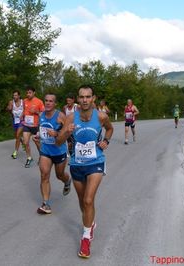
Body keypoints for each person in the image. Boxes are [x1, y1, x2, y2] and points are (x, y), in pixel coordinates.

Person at [56, 85, 114, 259]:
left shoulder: (102, 116)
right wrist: (66, 132)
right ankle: (90, 222)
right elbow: (59, 142)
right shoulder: (70, 118)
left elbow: (110, 129)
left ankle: (86, 238)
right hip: (76, 164)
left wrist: (106, 141)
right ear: (77, 99)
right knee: (83, 202)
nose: (85, 100)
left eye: (88, 97)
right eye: (81, 97)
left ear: (93, 98)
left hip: (96, 161)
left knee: (89, 199)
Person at [35, 93, 72, 214]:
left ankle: (67, 181)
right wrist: (38, 135)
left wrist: (57, 134)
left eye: (51, 101)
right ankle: (46, 204)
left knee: (59, 175)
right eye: (46, 100)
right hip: (45, 151)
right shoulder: (41, 115)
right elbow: (41, 130)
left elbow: (68, 132)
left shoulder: (60, 116)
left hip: (59, 151)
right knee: (44, 175)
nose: (48, 103)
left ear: (55, 103)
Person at [22, 86, 45, 168]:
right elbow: (24, 110)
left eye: (30, 92)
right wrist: (22, 116)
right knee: (25, 142)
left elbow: (43, 115)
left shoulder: (39, 101)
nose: (28, 94)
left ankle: (42, 157)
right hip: (26, 125)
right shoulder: (24, 101)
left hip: (36, 126)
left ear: (34, 93)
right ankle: (29, 157)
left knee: (37, 142)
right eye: (27, 93)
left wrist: (36, 112)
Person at [7, 90, 24, 159]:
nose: (14, 97)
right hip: (15, 121)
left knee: (17, 135)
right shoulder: (11, 102)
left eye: (16, 95)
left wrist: (23, 115)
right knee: (17, 136)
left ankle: (15, 152)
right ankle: (23, 143)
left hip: (22, 121)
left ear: (19, 96)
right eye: (13, 95)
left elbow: (26, 109)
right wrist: (8, 109)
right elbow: (8, 109)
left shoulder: (23, 102)